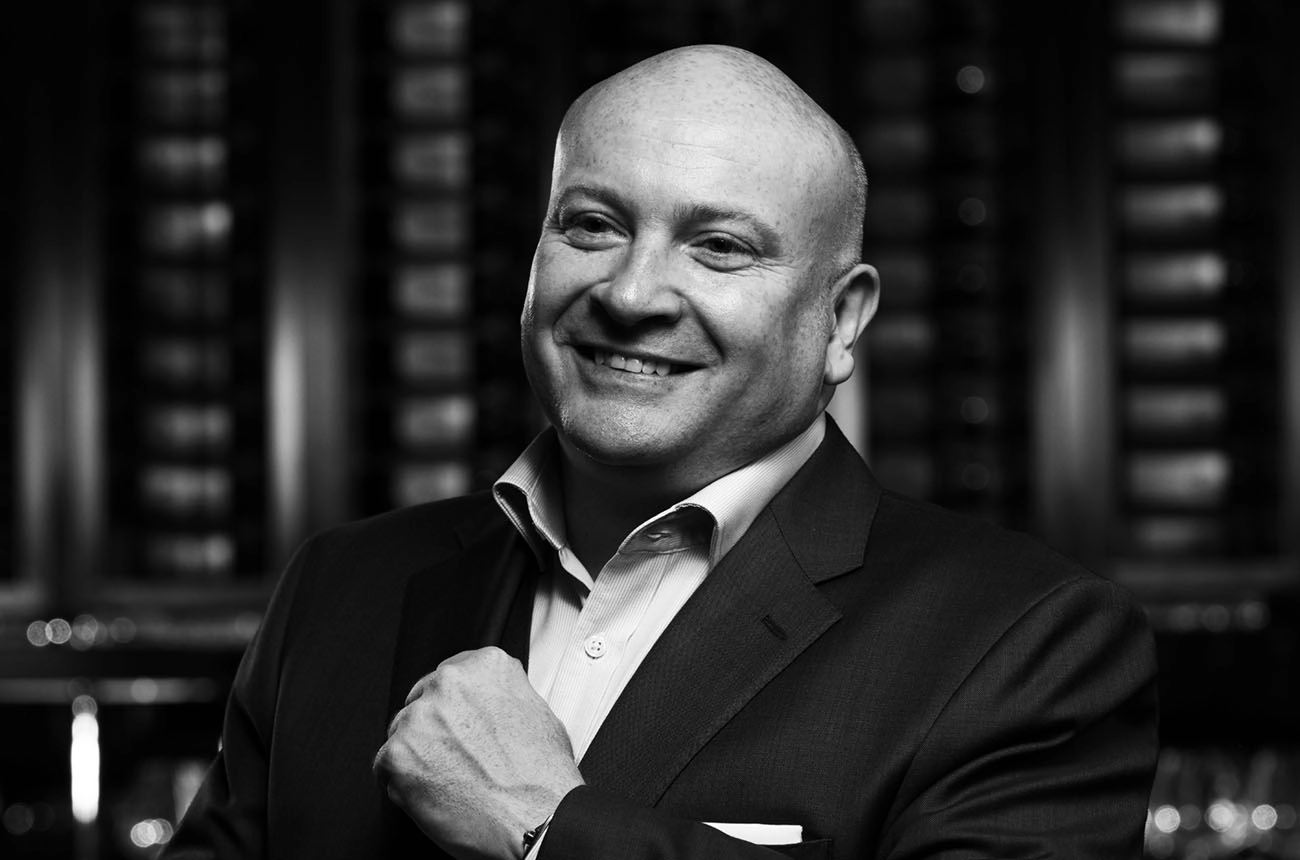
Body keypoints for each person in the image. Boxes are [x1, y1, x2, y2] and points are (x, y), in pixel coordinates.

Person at [165, 45, 1158, 860]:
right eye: (592, 225)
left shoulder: (1026, 641)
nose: (632, 293)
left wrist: (548, 828)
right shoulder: (340, 589)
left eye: (719, 245)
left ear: (841, 319)